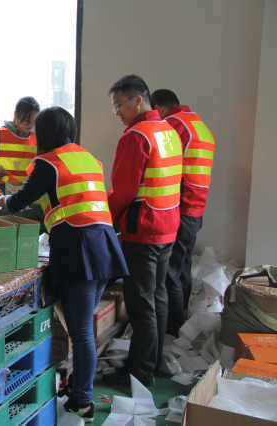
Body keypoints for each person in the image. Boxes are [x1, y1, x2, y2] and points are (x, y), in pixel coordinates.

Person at [0, 107, 128, 422]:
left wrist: (4, 201)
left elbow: (20, 201)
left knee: (81, 331)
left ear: (44, 133)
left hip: (78, 248)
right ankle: (78, 386)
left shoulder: (48, 163)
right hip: (105, 245)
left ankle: (83, 400)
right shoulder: (89, 158)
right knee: (80, 327)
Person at [102, 75, 182, 388]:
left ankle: (140, 373)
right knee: (157, 297)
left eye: (119, 105)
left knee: (140, 303)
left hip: (143, 228)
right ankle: (152, 363)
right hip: (168, 225)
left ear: (138, 100)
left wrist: (106, 219)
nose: (117, 113)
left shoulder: (136, 137)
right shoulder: (168, 131)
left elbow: (123, 191)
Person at [151, 89, 216, 337]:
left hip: (180, 207)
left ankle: (172, 329)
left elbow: (163, 165)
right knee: (182, 267)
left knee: (169, 273)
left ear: (157, 108)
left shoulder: (173, 125)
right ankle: (182, 321)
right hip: (196, 208)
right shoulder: (200, 126)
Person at [0, 96, 40, 182]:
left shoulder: (38, 137)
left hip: (28, 188)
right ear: (16, 114)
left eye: (33, 121)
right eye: (26, 120)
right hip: (2, 188)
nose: (30, 125)